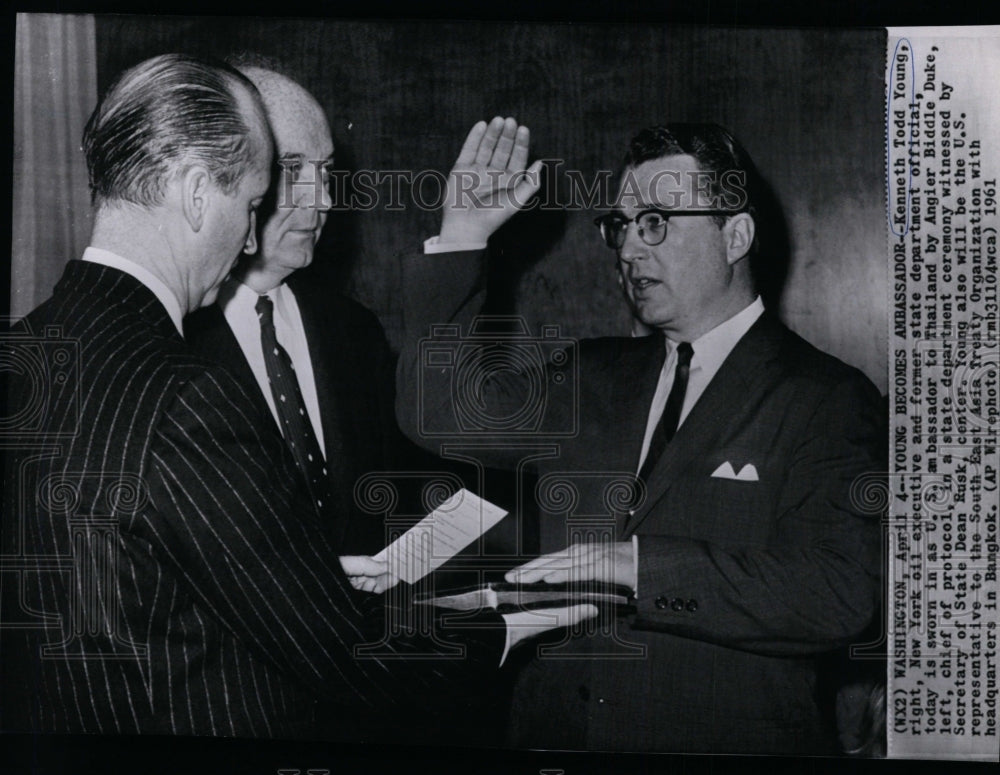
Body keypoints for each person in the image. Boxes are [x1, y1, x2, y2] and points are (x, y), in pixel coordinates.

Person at [0, 58, 592, 740]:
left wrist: (294, 571)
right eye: (255, 201)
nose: (251, 236)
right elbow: (347, 657)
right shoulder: (189, 391)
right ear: (197, 193)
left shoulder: (31, 350)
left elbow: (115, 578)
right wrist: (510, 622)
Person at [395, 118, 885, 754]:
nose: (628, 249)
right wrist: (462, 235)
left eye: (656, 222)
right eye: (621, 226)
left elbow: (840, 595)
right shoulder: (591, 375)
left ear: (734, 234)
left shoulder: (828, 397)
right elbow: (439, 412)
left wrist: (642, 568)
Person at [184, 63, 422, 555]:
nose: (324, 201)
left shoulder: (355, 332)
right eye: (292, 171)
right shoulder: (172, 334)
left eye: (327, 172)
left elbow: (390, 505)